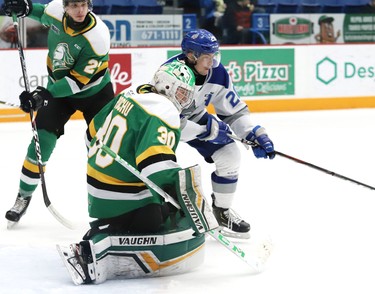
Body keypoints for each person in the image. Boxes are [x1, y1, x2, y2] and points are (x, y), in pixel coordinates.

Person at [56, 61, 218, 285]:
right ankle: (100, 242)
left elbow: (90, 134)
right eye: (181, 92)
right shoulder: (164, 110)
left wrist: (110, 164)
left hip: (96, 183)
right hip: (121, 191)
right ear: (167, 87)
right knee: (155, 219)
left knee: (161, 208)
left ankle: (108, 224)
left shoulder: (131, 93)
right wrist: (185, 192)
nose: (184, 100)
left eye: (187, 94)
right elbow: (156, 167)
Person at [2, 0, 114, 228]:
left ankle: (111, 203)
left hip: (96, 94)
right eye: (74, 5)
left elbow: (77, 82)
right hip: (59, 92)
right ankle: (23, 196)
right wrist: (23, 7)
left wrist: (43, 94)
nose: (80, 11)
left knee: (103, 149)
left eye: (83, 4)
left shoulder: (98, 37)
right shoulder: (54, 11)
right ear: (65, 6)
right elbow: (40, 12)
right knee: (40, 143)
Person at [164, 29, 275, 239]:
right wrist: (207, 131)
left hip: (194, 117)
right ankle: (160, 213)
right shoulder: (171, 73)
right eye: (207, 57)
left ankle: (221, 212)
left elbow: (234, 110)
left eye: (214, 56)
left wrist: (254, 132)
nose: (212, 62)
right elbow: (167, 121)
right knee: (161, 165)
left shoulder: (218, 72)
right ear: (190, 56)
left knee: (230, 155)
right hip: (163, 124)